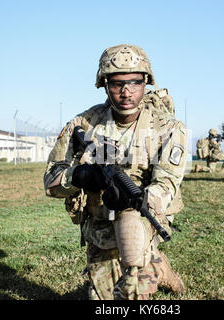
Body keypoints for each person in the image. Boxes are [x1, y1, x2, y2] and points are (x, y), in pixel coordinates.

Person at [44, 44, 187, 300]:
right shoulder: (83, 124)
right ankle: (157, 265)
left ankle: (148, 261)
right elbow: (50, 181)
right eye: (116, 83)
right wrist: (80, 176)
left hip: (144, 217)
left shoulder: (169, 127)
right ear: (105, 84)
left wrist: (139, 199)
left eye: (135, 82)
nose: (126, 91)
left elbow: (167, 183)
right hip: (100, 224)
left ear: (146, 82)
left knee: (129, 293)